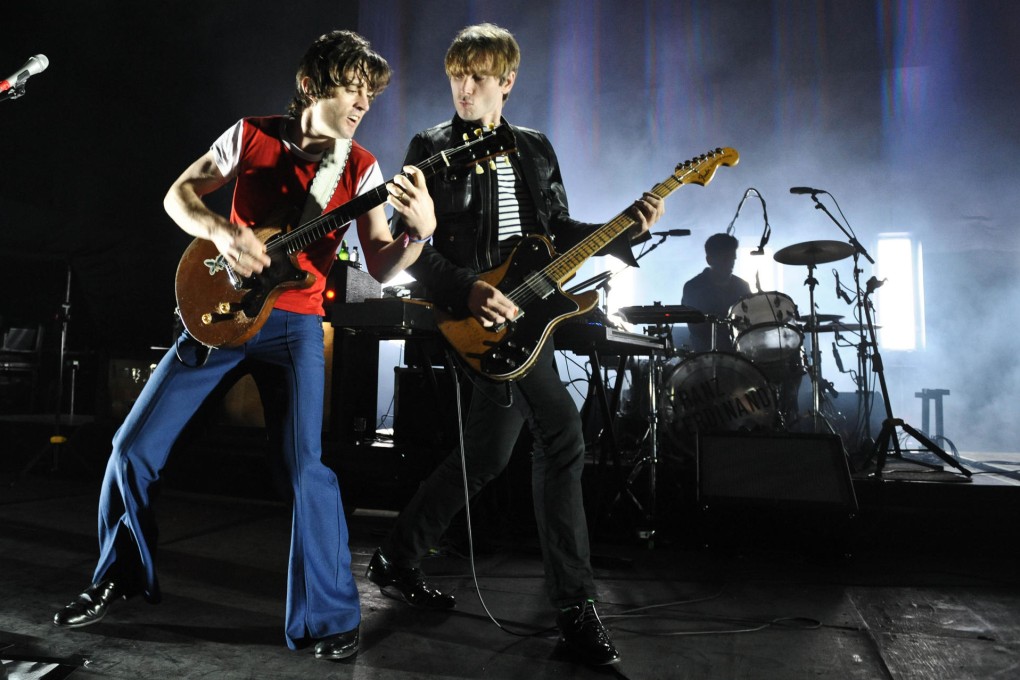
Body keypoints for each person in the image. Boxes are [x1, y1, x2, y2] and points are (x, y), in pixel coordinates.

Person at [51, 30, 436, 662]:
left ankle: (331, 618)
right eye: (352, 88)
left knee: (306, 469)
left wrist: (417, 236)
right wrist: (223, 233)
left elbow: (381, 262)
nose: (364, 102)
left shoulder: (361, 166)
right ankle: (117, 576)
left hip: (295, 327)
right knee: (131, 447)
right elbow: (179, 195)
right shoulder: (250, 135)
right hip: (220, 318)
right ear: (311, 85)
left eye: (370, 93)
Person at [364, 23, 664, 667]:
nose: (464, 88)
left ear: (507, 81)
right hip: (472, 319)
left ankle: (396, 556)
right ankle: (575, 608)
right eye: (457, 76)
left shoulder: (535, 147)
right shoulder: (431, 147)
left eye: (478, 77)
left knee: (486, 455)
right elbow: (409, 247)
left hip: (527, 315)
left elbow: (555, 230)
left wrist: (622, 229)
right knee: (562, 436)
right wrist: (468, 289)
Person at [681, 232, 752, 352]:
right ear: (709, 260)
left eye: (732, 258)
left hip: (738, 353)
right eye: (725, 259)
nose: (731, 263)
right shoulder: (693, 287)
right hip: (705, 355)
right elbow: (696, 329)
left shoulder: (742, 286)